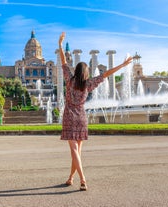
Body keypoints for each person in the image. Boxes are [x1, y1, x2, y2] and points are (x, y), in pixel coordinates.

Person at [58, 32, 132, 191]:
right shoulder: (89, 84)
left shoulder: (69, 80)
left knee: (74, 150)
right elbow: (106, 74)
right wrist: (123, 65)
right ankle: (71, 178)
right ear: (86, 73)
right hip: (81, 117)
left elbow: (63, 61)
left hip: (69, 116)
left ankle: (83, 179)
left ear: (76, 71)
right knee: (77, 151)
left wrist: (60, 45)